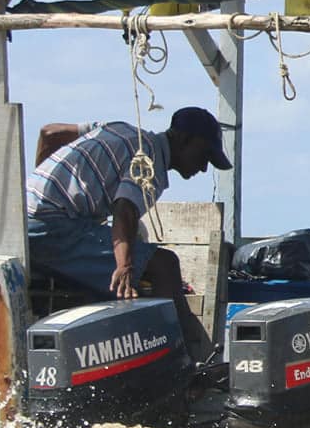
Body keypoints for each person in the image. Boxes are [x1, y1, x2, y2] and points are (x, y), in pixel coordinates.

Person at [25, 107, 228, 362]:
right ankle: (181, 363)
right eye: (204, 155)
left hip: (24, 219)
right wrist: (125, 266)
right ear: (183, 139)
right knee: (165, 264)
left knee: (136, 255)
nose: (203, 168)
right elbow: (125, 210)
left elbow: (50, 133)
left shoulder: (118, 128)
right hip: (50, 229)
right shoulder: (150, 162)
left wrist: (41, 183)